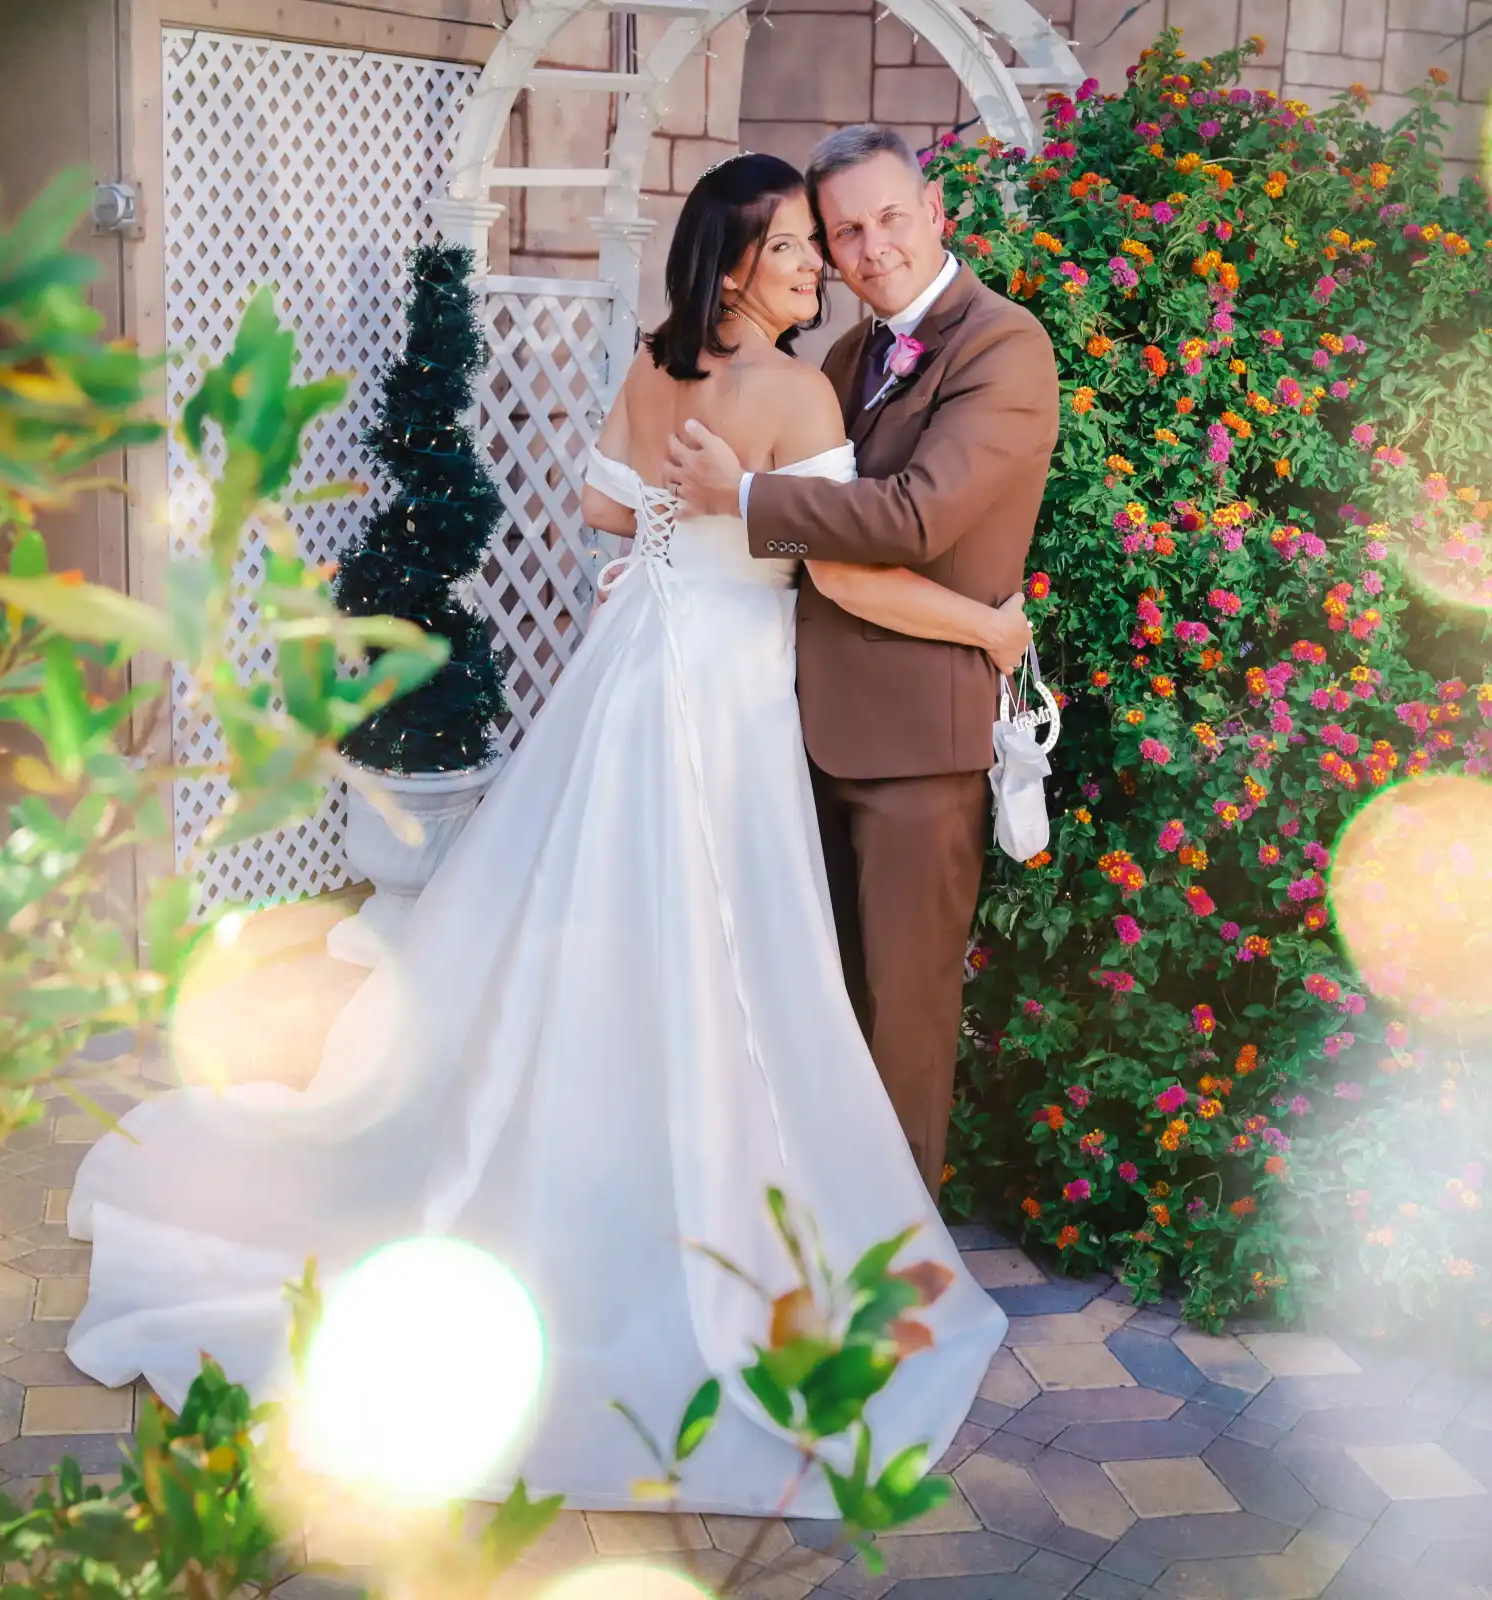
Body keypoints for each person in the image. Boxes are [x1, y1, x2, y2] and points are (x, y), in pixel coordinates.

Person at [64, 153, 1012, 1517]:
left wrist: (685, 516)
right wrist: (984, 624)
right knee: (719, 936)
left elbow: (600, 511)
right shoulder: (796, 388)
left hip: (629, 679)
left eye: (826, 241)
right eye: (797, 246)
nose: (816, 264)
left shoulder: (652, 364)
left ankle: (587, 1166)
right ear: (737, 266)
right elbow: (852, 564)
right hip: (722, 706)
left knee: (606, 930)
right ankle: (679, 1193)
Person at [669, 126, 1061, 1197]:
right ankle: (823, 1236)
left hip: (913, 741)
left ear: (935, 212)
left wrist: (740, 505)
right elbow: (824, 545)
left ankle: (902, 1278)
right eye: (845, 231)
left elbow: (915, 519)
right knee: (817, 1006)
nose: (869, 245)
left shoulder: (1003, 345)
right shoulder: (844, 357)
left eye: (889, 217)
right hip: (796, 722)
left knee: (903, 1012)